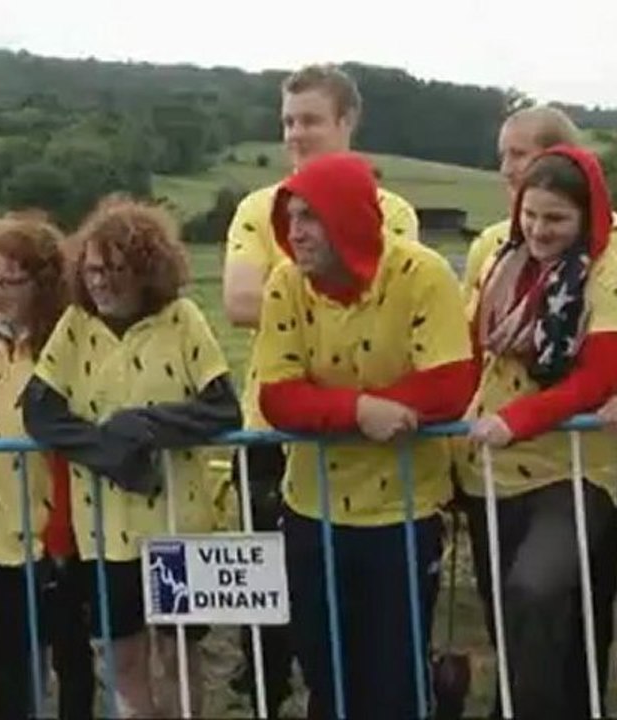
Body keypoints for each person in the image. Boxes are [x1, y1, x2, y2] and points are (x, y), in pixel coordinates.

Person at [221, 63, 420, 715]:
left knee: (352, 608)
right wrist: (322, 265)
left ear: (346, 122)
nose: (296, 134)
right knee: (270, 599)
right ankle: (269, 693)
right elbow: (240, 302)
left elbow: (385, 293)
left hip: (362, 433)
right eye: (287, 121)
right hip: (271, 424)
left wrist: (295, 275)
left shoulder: (394, 210)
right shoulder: (257, 206)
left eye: (310, 119)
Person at [252, 153, 474, 719]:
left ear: (348, 218)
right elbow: (276, 395)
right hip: (311, 509)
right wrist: (361, 410)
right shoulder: (284, 283)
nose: (294, 233)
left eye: (309, 217)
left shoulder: (423, 274)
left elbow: (450, 383)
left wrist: (336, 408)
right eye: (290, 216)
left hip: (403, 512)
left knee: (394, 680)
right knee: (326, 677)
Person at [22, 196, 242, 718]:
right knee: (121, 653)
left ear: (147, 270)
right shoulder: (76, 324)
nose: (100, 282)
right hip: (104, 529)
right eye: (93, 269)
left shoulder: (181, 318)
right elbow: (40, 411)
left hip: (177, 526)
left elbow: (222, 409)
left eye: (115, 270)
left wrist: (144, 425)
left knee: (177, 652)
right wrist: (109, 454)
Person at [461, 145, 617, 719]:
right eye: (530, 214)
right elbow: (469, 346)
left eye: (556, 219)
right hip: (487, 470)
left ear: (587, 217)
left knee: (537, 589)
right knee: (511, 616)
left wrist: (516, 420)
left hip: (573, 466)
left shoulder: (607, 265)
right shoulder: (500, 259)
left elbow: (600, 375)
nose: (538, 229)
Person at [0, 216, 94, 720]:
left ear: (43, 281)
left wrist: (62, 531)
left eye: (13, 281)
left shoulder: (68, 348)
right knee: (7, 664)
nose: (0, 294)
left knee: (71, 662)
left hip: (55, 535)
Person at [462, 105, 582, 298]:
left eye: (518, 154)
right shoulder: (490, 243)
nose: (506, 170)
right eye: (503, 156)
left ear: (559, 158)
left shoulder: (611, 243)